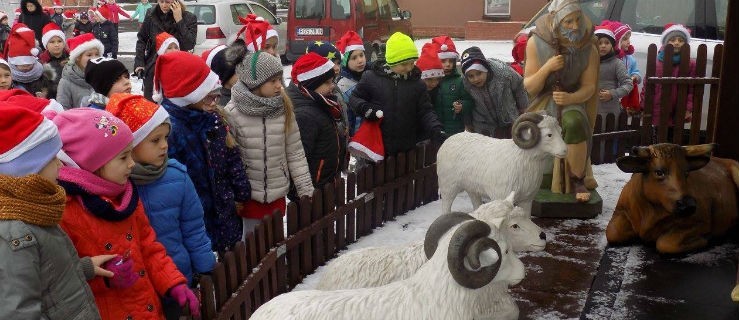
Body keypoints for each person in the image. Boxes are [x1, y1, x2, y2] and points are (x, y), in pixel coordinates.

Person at [52, 107, 200, 319]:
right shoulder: (65, 211)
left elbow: (149, 247)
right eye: (123, 158)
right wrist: (100, 277)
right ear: (92, 163)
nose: (132, 163)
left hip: (147, 308)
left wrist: (172, 282)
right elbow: (61, 281)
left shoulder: (125, 196)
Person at [0, 106, 116, 320]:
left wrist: (82, 268)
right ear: (28, 170)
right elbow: (18, 310)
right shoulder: (15, 230)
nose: (60, 164)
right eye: (52, 159)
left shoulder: (34, 206)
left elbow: (41, 276)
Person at [107, 93, 216, 319]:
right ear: (131, 144)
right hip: (136, 287)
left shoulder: (177, 177)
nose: (165, 146)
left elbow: (194, 228)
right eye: (155, 140)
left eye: (166, 138)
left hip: (177, 279)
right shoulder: (115, 184)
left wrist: (205, 269)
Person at [154, 51, 251, 252]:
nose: (213, 101)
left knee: (232, 269)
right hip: (197, 222)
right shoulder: (170, 132)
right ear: (187, 93)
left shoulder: (211, 118)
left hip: (225, 211)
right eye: (207, 95)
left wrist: (241, 192)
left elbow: (232, 157)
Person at [224, 51, 314, 236]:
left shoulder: (284, 108)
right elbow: (229, 158)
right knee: (252, 245)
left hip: (277, 191)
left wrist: (305, 188)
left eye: (279, 79)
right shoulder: (233, 112)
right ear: (255, 83)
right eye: (272, 81)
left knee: (276, 241)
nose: (279, 85)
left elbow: (295, 153)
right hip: (249, 195)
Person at [523, 0, 599, 202]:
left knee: (574, 122)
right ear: (556, 21)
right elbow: (530, 86)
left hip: (572, 100)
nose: (575, 26)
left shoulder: (588, 46)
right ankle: (540, 177)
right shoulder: (535, 43)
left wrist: (571, 98)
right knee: (537, 129)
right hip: (543, 101)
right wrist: (547, 67)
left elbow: (589, 86)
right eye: (568, 22)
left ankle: (577, 179)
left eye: (577, 20)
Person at [349, 31, 446, 158]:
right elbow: (355, 98)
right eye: (404, 64)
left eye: (412, 63)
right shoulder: (371, 78)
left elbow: (426, 111)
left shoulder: (417, 84)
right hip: (377, 145)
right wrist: (365, 109)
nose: (409, 68)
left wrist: (436, 129)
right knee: (375, 176)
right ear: (391, 61)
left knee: (403, 175)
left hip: (407, 147)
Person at [287, 52, 348, 199]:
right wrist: (302, 193)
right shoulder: (305, 115)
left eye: (332, 81)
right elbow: (300, 158)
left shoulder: (321, 102)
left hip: (325, 184)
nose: (333, 86)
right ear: (311, 85)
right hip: (313, 191)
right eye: (327, 83)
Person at [134, 0, 196, 101]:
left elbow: (189, 44)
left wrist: (179, 20)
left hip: (176, 69)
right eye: (161, 1)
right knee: (151, 106)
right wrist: (139, 62)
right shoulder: (151, 13)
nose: (163, 5)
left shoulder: (189, 17)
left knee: (172, 107)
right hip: (153, 68)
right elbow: (142, 39)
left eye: (167, 2)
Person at [460, 46, 528, 137]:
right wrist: (468, 124)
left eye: (479, 73)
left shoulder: (503, 73)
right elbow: (466, 101)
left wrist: (523, 108)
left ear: (486, 69)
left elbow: (519, 85)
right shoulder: (465, 83)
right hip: (483, 124)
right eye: (471, 76)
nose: (476, 79)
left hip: (509, 119)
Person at [646, 23, 696, 126]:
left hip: (678, 108)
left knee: (674, 137)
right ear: (665, 43)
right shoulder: (657, 63)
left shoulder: (690, 64)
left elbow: (692, 88)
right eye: (672, 40)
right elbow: (648, 85)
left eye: (680, 40)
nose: (677, 43)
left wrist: (688, 108)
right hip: (658, 107)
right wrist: (644, 106)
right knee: (657, 137)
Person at [430, 36, 474, 135]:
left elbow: (469, 101)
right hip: (435, 128)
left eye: (451, 61)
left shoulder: (459, 81)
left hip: (455, 129)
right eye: (443, 61)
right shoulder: (430, 81)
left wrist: (462, 105)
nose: (448, 64)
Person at [4, 23, 55, 98]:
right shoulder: (8, 78)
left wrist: (46, 95)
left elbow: (52, 91)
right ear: (14, 64)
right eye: (22, 65)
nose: (26, 67)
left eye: (29, 65)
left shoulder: (43, 74)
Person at [594, 25, 632, 118]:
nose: (603, 46)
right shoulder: (588, 63)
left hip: (609, 111)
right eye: (599, 43)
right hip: (590, 110)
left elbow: (628, 84)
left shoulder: (617, 63)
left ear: (612, 46)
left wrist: (612, 94)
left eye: (607, 43)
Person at [56, 33, 103, 108]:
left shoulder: (104, 76)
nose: (94, 58)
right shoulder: (66, 82)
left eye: (97, 54)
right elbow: (62, 109)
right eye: (89, 55)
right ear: (78, 57)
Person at [335, 30, 366, 136]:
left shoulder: (371, 76)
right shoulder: (342, 85)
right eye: (354, 58)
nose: (360, 60)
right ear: (345, 62)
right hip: (355, 135)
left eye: (361, 55)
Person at [38, 22, 69, 97]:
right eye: (52, 42)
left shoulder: (70, 58)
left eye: (59, 41)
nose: (56, 45)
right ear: (46, 45)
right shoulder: (42, 62)